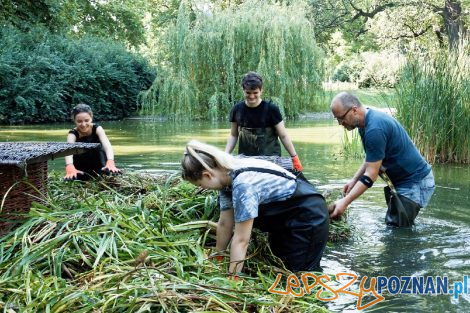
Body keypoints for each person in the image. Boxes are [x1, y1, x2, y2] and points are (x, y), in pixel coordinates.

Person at [181, 140, 329, 274]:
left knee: (299, 273)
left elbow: (241, 239)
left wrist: (232, 279)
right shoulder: (226, 176)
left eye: (200, 185)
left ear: (207, 175)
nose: (204, 188)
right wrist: (218, 257)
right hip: (283, 217)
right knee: (280, 265)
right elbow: (225, 223)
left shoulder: (243, 185)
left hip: (307, 216)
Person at [329, 92, 435, 226]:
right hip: (405, 182)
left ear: (354, 110)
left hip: (415, 182)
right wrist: (354, 180)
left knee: (397, 233)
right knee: (396, 227)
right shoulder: (364, 125)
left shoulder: (374, 129)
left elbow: (371, 176)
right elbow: (371, 159)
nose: (340, 123)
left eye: (341, 118)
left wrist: (345, 202)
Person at [225, 71, 303, 171]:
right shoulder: (237, 109)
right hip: (246, 160)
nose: (252, 96)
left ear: (261, 91)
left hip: (271, 160)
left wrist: (294, 157)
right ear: (243, 90)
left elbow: (283, 135)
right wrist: (225, 156)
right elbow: (233, 135)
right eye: (248, 93)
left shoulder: (272, 109)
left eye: (255, 93)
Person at [64, 103, 121, 180]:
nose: (83, 124)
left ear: (91, 118)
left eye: (86, 120)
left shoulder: (97, 129)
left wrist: (110, 161)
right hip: (81, 167)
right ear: (74, 120)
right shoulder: (72, 134)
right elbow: (68, 151)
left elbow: (107, 145)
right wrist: (69, 165)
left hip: (100, 164)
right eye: (79, 121)